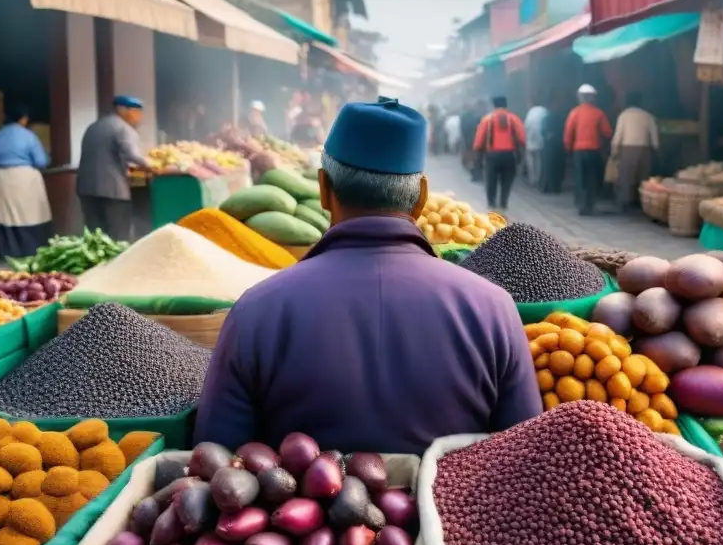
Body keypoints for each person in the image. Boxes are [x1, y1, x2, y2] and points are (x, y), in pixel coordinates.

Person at [194, 97, 541, 454]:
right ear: (421, 198)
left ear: (324, 190)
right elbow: (525, 457)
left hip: (297, 509)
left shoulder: (257, 309)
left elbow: (214, 460)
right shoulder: (493, 308)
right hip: (448, 511)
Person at [76, 95, 149, 242]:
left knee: (95, 236)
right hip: (113, 191)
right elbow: (132, 155)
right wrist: (154, 165)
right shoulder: (123, 128)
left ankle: (97, 264)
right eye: (136, 112)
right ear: (122, 110)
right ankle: (117, 264)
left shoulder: (93, 127)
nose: (139, 117)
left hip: (86, 189)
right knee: (117, 236)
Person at [0, 104, 52, 257]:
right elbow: (41, 161)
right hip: (23, 177)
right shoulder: (28, 136)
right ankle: (30, 251)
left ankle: (9, 252)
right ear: (24, 119)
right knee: (30, 215)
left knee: (5, 216)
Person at [564, 84, 612, 215]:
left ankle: (581, 205)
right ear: (592, 98)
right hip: (594, 150)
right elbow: (607, 132)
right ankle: (590, 204)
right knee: (592, 178)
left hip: (578, 151)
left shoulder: (574, 113)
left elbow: (568, 133)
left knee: (580, 178)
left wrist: (568, 148)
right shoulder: (599, 113)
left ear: (579, 97)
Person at [473, 95, 526, 212]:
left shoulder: (487, 119)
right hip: (509, 155)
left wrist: (478, 153)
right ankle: (503, 202)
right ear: (506, 105)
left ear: (493, 105)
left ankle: (491, 202)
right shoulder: (513, 118)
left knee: (491, 179)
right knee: (507, 179)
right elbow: (522, 137)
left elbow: (479, 139)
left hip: (492, 155)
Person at [611, 92, 660, 212]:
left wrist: (614, 151)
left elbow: (618, 135)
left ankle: (625, 202)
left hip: (627, 148)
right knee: (643, 177)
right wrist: (657, 150)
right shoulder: (648, 116)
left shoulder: (623, 116)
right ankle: (642, 202)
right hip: (644, 149)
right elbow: (654, 136)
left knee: (626, 177)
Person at [540, 99, 567, 193]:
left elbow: (543, 132)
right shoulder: (561, 118)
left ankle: (548, 187)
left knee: (549, 167)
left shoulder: (547, 118)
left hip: (551, 146)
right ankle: (555, 187)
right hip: (557, 146)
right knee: (556, 167)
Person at [523, 99, 549, 190]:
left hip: (530, 140)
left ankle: (532, 180)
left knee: (531, 161)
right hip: (541, 140)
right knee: (539, 161)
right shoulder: (544, 111)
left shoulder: (530, 112)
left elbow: (526, 126)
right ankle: (538, 179)